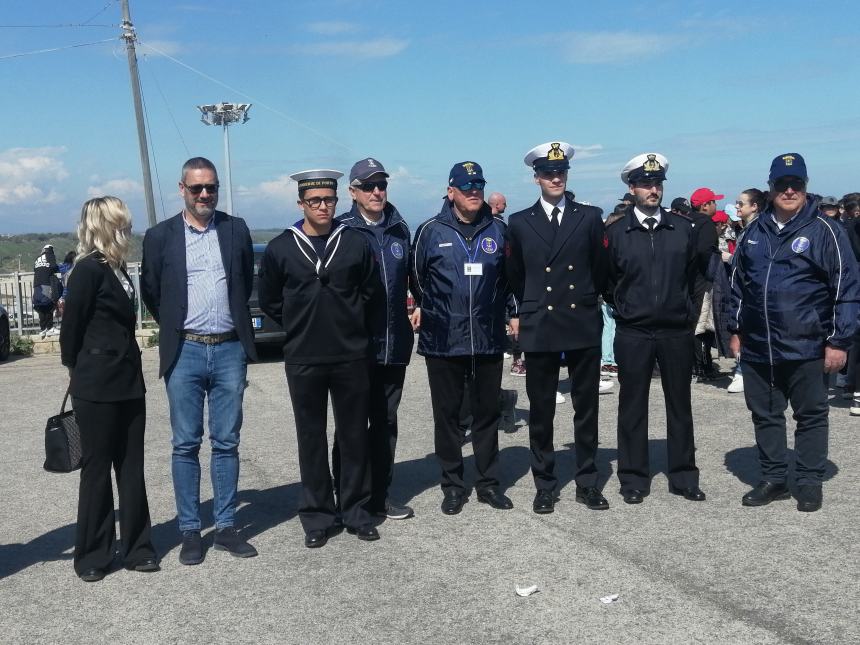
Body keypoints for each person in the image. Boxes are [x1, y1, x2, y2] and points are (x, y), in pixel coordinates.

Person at [141, 157, 258, 565]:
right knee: (185, 444)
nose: (205, 195)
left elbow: (243, 279)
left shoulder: (235, 229)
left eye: (211, 188)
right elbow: (153, 291)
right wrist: (178, 328)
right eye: (197, 189)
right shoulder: (159, 236)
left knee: (226, 442)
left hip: (229, 349)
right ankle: (190, 530)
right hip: (185, 350)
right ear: (182, 189)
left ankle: (226, 526)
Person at [729, 153, 860, 512]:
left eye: (796, 184)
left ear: (805, 186)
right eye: (781, 184)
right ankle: (773, 477)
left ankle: (808, 479)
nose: (789, 190)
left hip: (807, 345)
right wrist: (735, 329)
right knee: (766, 414)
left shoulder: (826, 231)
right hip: (759, 345)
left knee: (811, 415)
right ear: (770, 188)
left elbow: (846, 289)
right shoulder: (753, 231)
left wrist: (838, 341)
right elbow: (738, 284)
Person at [258, 169, 381, 547]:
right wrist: (300, 324)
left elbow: (372, 293)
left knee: (353, 435)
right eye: (314, 201)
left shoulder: (356, 242)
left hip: (350, 354)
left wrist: (352, 326)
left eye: (328, 200)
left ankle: (356, 510)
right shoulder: (281, 247)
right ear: (301, 204)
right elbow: (270, 300)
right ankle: (317, 516)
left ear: (337, 201)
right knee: (310, 437)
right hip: (304, 356)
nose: (323, 207)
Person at [505, 141, 609, 513]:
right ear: (536, 178)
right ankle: (545, 483)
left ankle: (587, 481)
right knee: (542, 410)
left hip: (579, 319)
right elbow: (515, 275)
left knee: (586, 408)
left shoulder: (589, 216)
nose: (555, 178)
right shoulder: (519, 222)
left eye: (561, 172)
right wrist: (529, 306)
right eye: (548, 173)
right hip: (540, 323)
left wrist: (584, 297)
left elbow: (600, 267)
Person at [60, 196, 158, 582]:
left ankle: (138, 548)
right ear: (103, 226)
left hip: (129, 382)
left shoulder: (116, 268)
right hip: (96, 385)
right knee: (97, 470)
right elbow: (72, 332)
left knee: (132, 468)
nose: (127, 230)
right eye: (121, 224)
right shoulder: (87, 271)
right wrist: (78, 369)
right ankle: (93, 555)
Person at [410, 161, 512, 515]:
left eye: (478, 187)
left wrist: (509, 315)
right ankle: (453, 485)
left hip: (486, 337)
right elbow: (417, 278)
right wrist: (434, 309)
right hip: (444, 339)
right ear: (450, 191)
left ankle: (488, 483)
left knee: (486, 414)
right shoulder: (429, 231)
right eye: (467, 188)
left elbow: (509, 278)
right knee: (448, 417)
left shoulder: (498, 230)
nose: (474, 193)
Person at [604, 153, 705, 505]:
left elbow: (694, 276)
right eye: (646, 184)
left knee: (680, 403)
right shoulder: (616, 233)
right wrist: (625, 306)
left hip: (675, 329)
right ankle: (633, 477)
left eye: (657, 183)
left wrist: (687, 312)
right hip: (634, 330)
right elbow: (607, 279)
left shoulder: (682, 229)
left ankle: (683, 475)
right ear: (632, 188)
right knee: (632, 404)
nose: (653, 189)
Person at [332, 158, 414, 521]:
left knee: (386, 423)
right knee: (351, 426)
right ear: (353, 192)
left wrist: (422, 305)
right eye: (368, 186)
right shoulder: (341, 230)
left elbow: (414, 277)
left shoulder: (399, 228)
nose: (377, 191)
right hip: (354, 347)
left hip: (394, 343)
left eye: (381, 184)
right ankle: (346, 497)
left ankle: (380, 495)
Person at [726, 188, 767, 394]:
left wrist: (728, 258)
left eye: (741, 203)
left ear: (755, 206)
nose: (737, 207)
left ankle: (743, 372)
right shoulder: (747, 229)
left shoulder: (759, 229)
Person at [689, 187, 722, 381]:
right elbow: (705, 252)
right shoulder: (706, 224)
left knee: (693, 322)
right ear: (705, 205)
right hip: (702, 280)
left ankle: (697, 364)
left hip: (688, 280)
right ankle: (703, 366)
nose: (715, 205)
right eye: (713, 202)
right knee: (701, 324)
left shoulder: (686, 221)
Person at [32, 244, 60, 338]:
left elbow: (35, 269)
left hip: (36, 285)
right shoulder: (50, 256)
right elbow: (54, 267)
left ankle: (43, 328)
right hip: (46, 283)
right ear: (51, 250)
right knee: (49, 305)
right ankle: (50, 327)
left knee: (40, 306)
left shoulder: (38, 258)